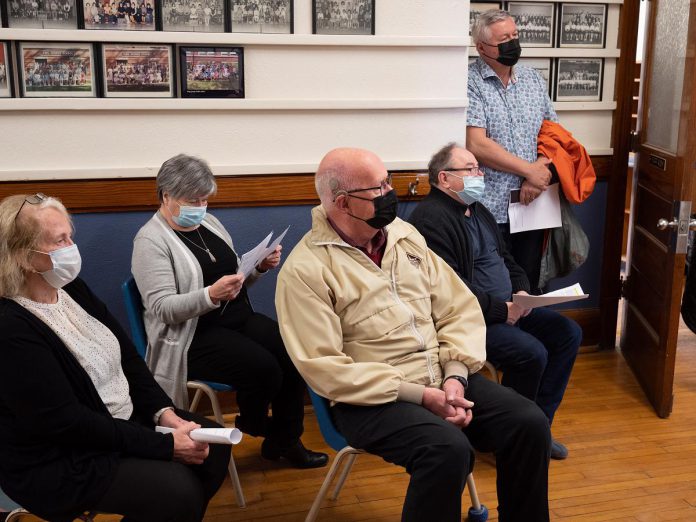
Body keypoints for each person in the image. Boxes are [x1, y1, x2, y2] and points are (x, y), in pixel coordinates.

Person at [276, 147, 551, 522]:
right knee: (447, 449)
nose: (390, 193)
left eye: (388, 181)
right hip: (371, 399)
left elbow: (458, 307)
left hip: (441, 374)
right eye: (379, 189)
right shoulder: (306, 270)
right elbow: (325, 368)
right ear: (342, 203)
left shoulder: (404, 236)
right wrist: (421, 396)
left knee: (529, 423)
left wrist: (454, 374)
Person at [0, 193, 229, 522]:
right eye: (59, 240)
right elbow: (68, 423)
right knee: (176, 492)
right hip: (61, 455)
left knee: (214, 450)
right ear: (23, 256)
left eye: (70, 236)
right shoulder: (11, 329)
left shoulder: (70, 288)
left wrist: (163, 413)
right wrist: (162, 445)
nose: (70, 247)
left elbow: (129, 358)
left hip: (121, 420)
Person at [131, 154, 328, 469]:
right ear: (166, 196)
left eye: (204, 198)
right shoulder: (150, 242)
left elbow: (233, 277)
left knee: (293, 351)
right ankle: (261, 426)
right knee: (265, 368)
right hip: (190, 336)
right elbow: (162, 309)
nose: (200, 205)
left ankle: (283, 439)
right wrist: (210, 295)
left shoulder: (207, 222)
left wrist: (257, 268)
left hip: (235, 319)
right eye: (192, 199)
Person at [408, 143, 582, 460]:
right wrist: (503, 310)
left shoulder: (478, 209)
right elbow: (451, 289)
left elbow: (506, 259)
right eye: (471, 169)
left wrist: (522, 293)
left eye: (478, 167)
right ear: (444, 179)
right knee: (531, 353)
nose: (480, 174)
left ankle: (537, 428)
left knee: (568, 334)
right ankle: (507, 434)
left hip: (509, 306)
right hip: (472, 319)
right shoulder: (429, 220)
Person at [467, 9, 559, 293]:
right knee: (496, 285)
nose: (512, 43)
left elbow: (552, 133)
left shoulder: (532, 78)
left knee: (530, 284)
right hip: (488, 206)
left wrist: (537, 173)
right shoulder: (469, 81)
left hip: (533, 203)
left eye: (515, 36)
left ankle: (530, 336)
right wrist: (528, 170)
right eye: (503, 38)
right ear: (481, 47)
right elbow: (477, 144)